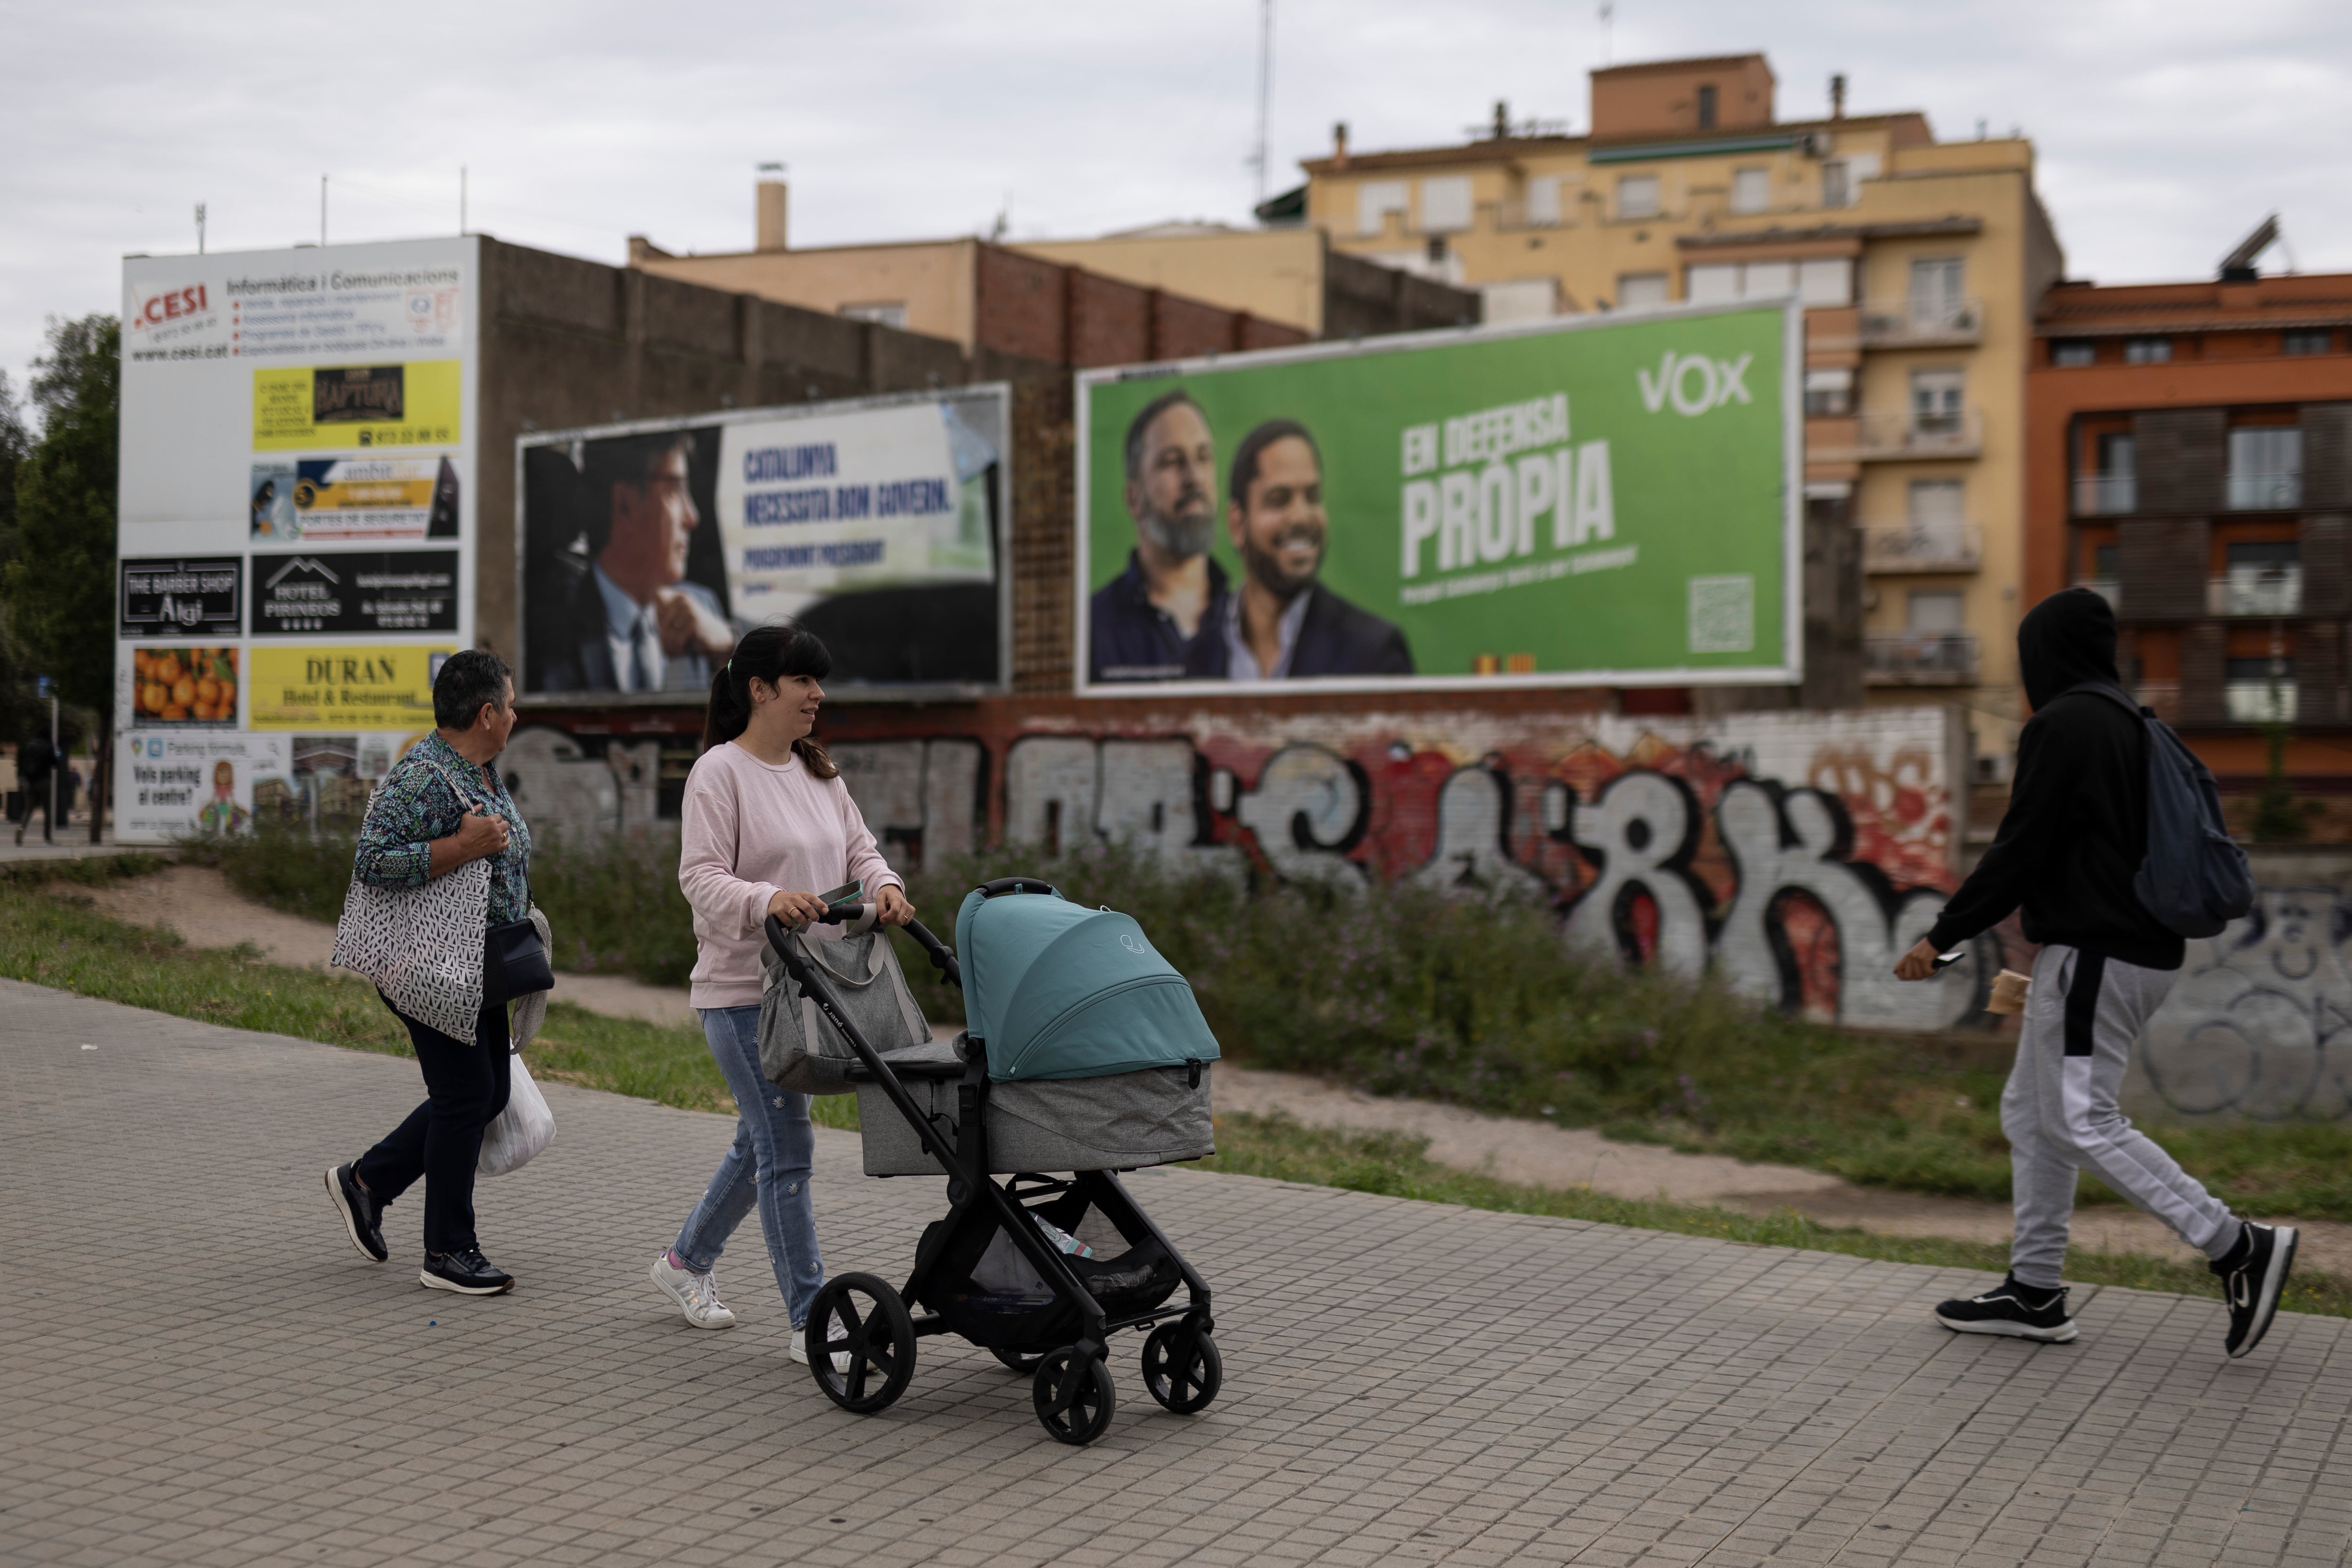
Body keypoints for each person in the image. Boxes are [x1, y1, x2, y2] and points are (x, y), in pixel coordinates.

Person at [1894, 587, 2296, 1357]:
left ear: (2045, 654)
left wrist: (1943, 937)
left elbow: (2021, 848)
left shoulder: (2064, 724)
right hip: (2124, 952)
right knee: (2033, 1113)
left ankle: (2237, 1244)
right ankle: (2035, 1291)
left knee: (2082, 1118)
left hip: (2100, 954)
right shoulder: (2134, 724)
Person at [649, 622, 914, 1362]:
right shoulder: (719, 773)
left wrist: (885, 885)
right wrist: (767, 898)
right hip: (743, 992)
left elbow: (860, 849)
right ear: (761, 690)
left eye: (818, 681)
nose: (817, 694)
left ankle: (683, 1263)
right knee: (787, 1146)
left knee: (761, 1139)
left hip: (816, 986)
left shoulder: (817, 770)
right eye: (804, 681)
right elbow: (700, 876)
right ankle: (812, 1321)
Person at [323, 650, 534, 1295]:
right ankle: (447, 1250)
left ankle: (367, 1182)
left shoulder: (478, 770)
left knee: (486, 1095)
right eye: (511, 704)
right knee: (465, 1096)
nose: (517, 714)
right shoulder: (423, 777)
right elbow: (372, 861)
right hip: (429, 967)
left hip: (476, 966)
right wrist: (462, 846)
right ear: (487, 713)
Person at [1187, 419, 1414, 681]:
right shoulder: (1197, 658)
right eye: (1279, 500)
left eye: (1312, 497)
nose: (1302, 517)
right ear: (1237, 525)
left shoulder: (1373, 654)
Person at [539, 430, 734, 693]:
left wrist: (729, 649)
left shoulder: (704, 608)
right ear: (624, 505)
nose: (692, 517)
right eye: (675, 490)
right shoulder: (553, 629)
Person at [1088, 390, 1229, 682]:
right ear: (1134, 499)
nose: (1194, 477)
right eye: (1172, 461)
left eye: (1204, 458)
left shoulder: (1250, 621)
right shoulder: (1091, 630)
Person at [14, 730, 55, 845]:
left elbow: (21, 761)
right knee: (47, 810)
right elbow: (55, 762)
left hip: (29, 781)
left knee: (29, 808)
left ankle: (21, 828)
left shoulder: (29, 745)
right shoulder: (48, 746)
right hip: (43, 781)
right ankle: (47, 837)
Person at [197, 758, 249, 835]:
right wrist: (206, 807)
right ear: (216, 775)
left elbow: (233, 801)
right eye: (221, 772)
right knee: (216, 817)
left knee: (230, 817)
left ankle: (230, 829)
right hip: (218, 807)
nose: (224, 775)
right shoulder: (217, 790)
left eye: (227, 773)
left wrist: (238, 807)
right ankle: (216, 829)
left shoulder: (229, 790)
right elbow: (213, 800)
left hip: (228, 807)